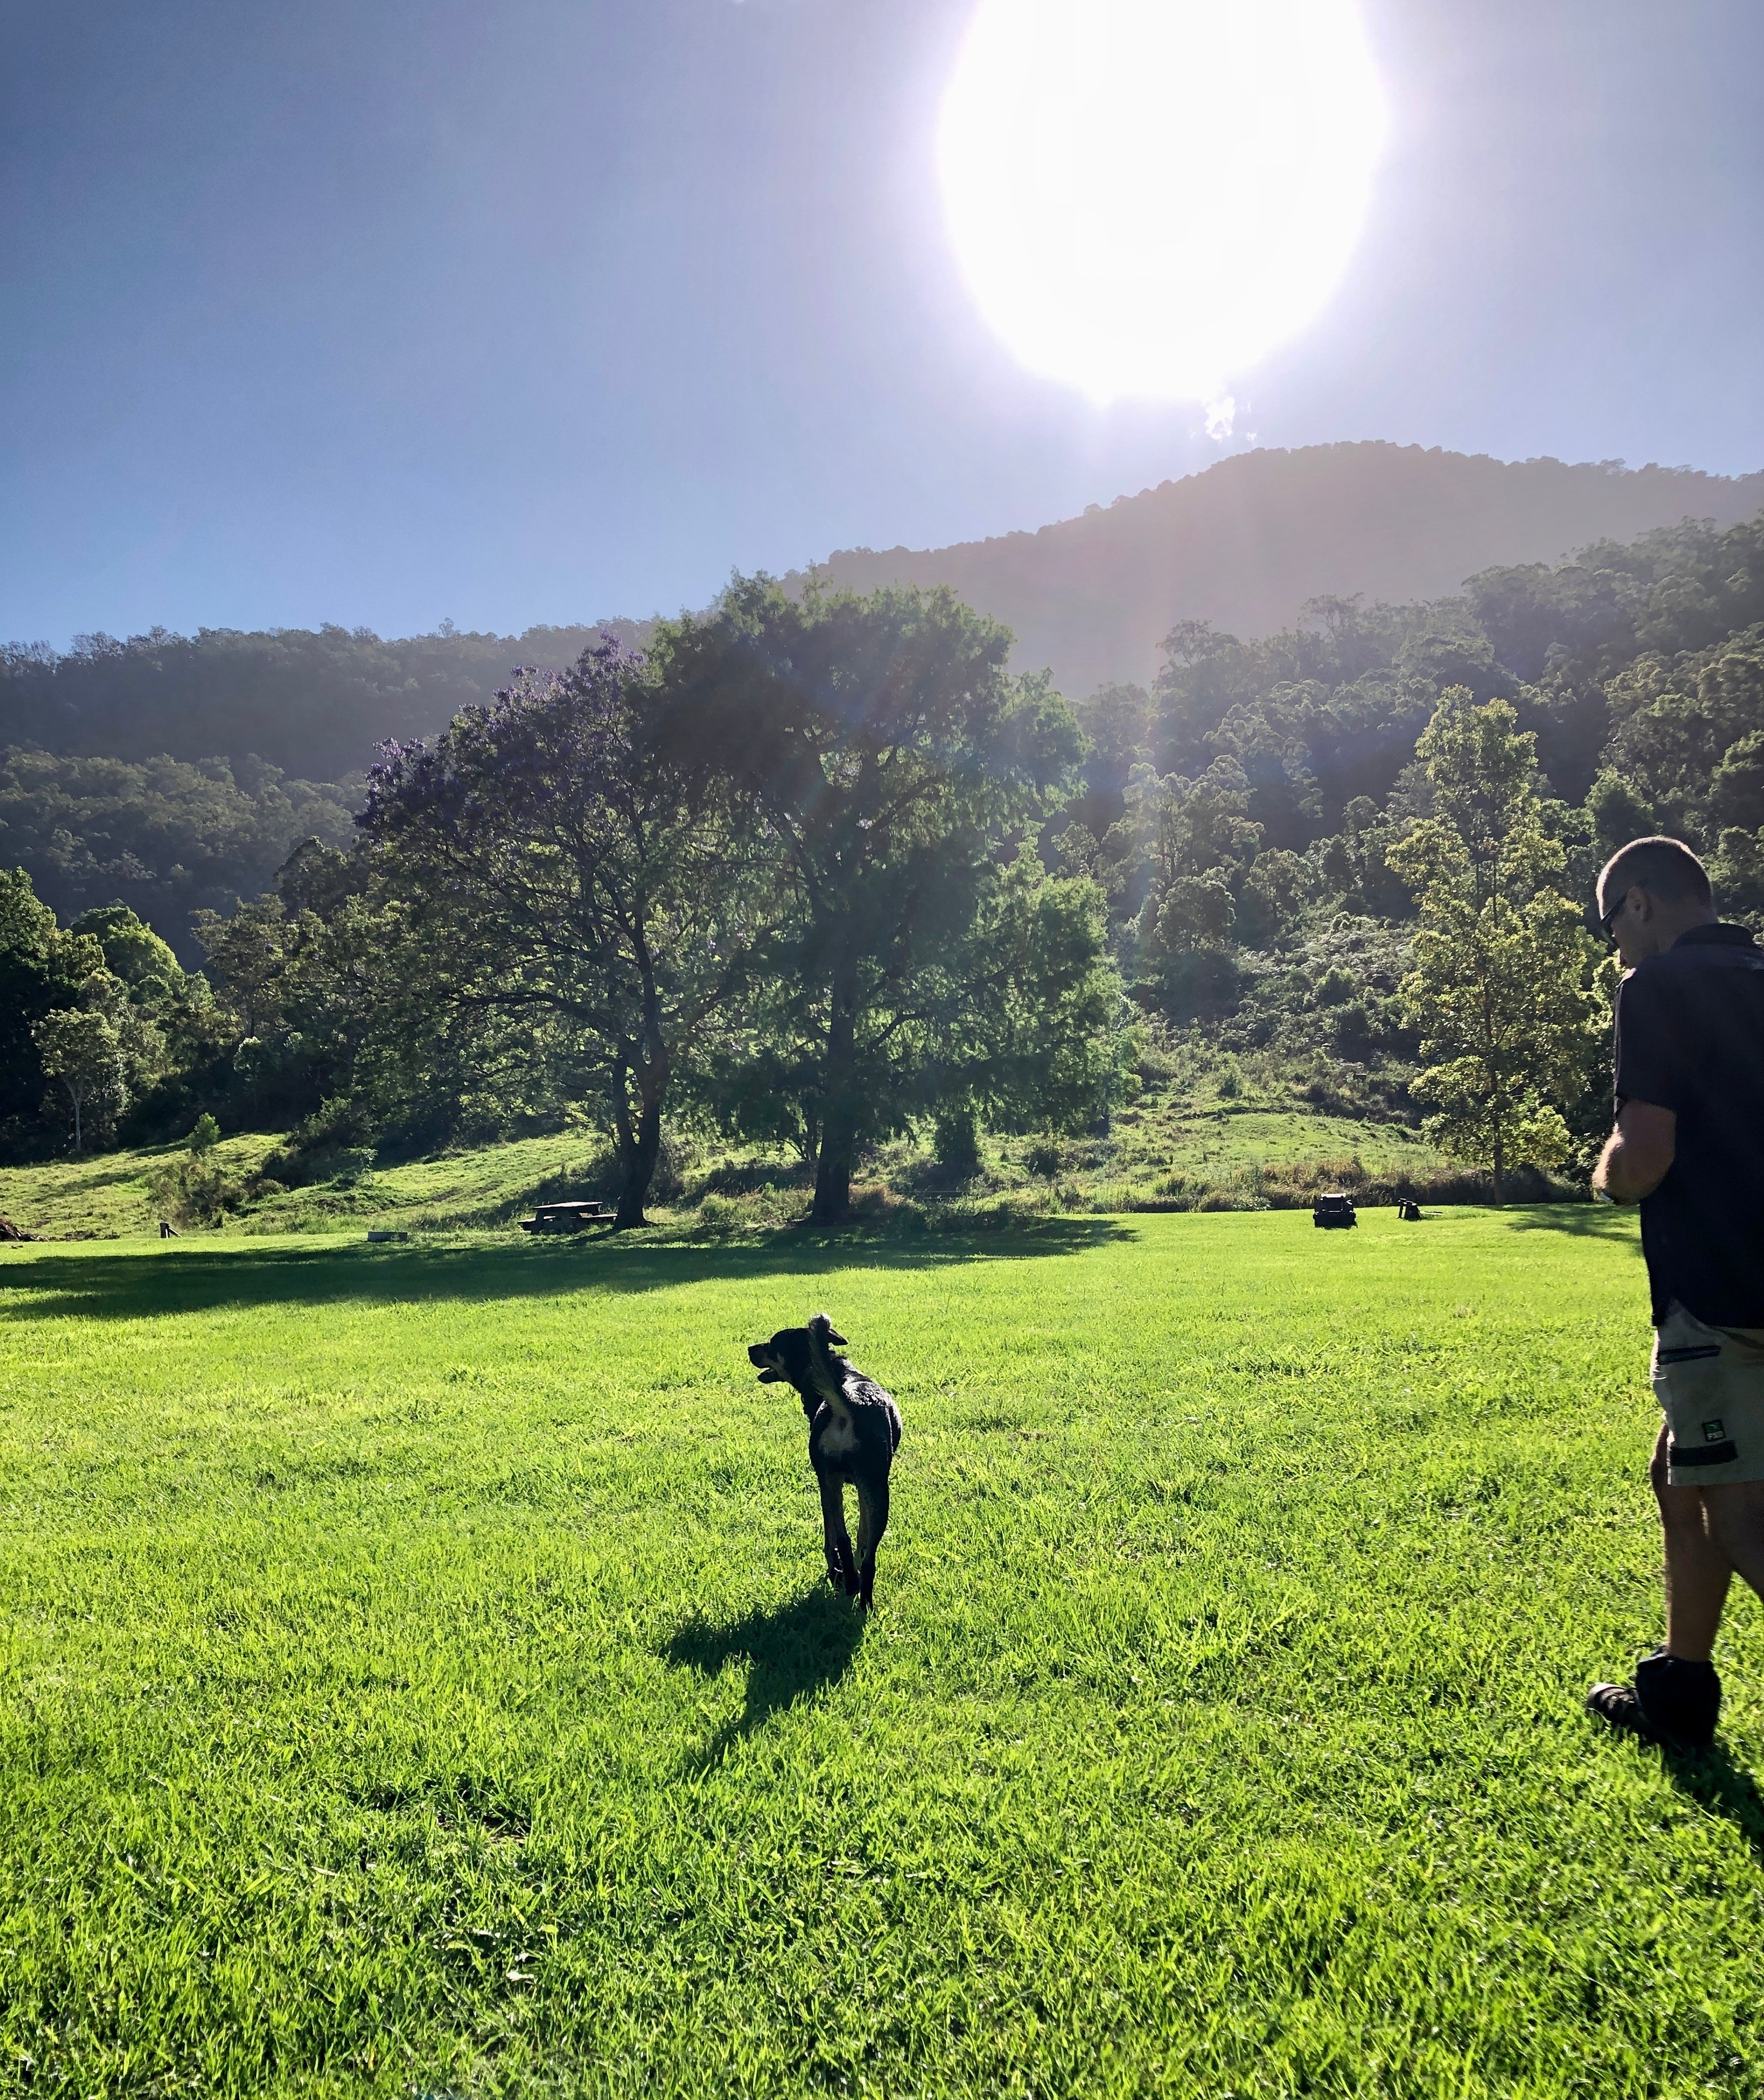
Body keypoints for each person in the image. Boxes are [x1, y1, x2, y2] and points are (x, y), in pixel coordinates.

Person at [1586, 836, 1764, 1750]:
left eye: (1611, 925)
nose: (1615, 947)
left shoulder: (1655, 988)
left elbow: (1644, 1157)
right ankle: (1680, 1689)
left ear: (1642, 903)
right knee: (1677, 1472)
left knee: (1737, 1513)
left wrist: (1605, 1174)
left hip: (1718, 1289)